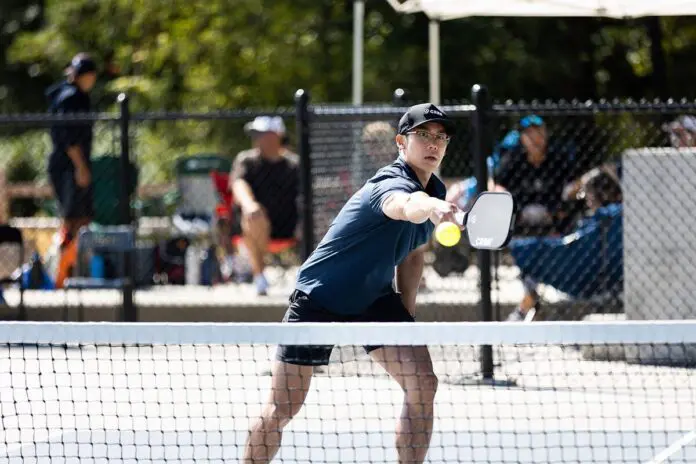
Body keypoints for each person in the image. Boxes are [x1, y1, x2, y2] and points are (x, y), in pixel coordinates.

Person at [243, 103, 460, 464]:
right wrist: (431, 207)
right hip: (319, 296)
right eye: (423, 134)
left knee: (423, 384)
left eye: (440, 136)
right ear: (401, 143)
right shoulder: (389, 183)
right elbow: (404, 205)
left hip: (373, 298)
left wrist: (405, 317)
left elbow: (412, 254)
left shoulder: (435, 188)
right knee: (282, 408)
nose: (433, 143)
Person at [507, 164, 623, 322]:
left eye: (589, 196)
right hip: (598, 273)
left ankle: (525, 309)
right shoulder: (613, 219)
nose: (588, 202)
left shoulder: (605, 220)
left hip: (581, 272)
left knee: (529, 252)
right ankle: (528, 307)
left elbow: (574, 243)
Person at [230, 116, 300, 295]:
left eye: (260, 134)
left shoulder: (294, 165)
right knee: (254, 215)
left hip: (290, 226)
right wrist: (249, 204)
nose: (256, 139)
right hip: (255, 224)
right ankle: (260, 278)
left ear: (276, 136)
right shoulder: (246, 161)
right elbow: (238, 184)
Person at [46, 53, 98, 288]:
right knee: (72, 220)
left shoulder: (72, 96)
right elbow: (68, 139)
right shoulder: (71, 98)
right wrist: (80, 167)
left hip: (72, 165)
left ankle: (76, 270)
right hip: (69, 167)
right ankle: (61, 274)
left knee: (82, 219)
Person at [493, 114, 579, 235]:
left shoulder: (558, 158)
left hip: (553, 213)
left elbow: (573, 183)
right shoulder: (513, 159)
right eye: (529, 133)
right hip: (519, 213)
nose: (535, 138)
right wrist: (507, 202)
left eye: (538, 132)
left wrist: (567, 198)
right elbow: (497, 184)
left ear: (546, 135)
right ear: (522, 137)